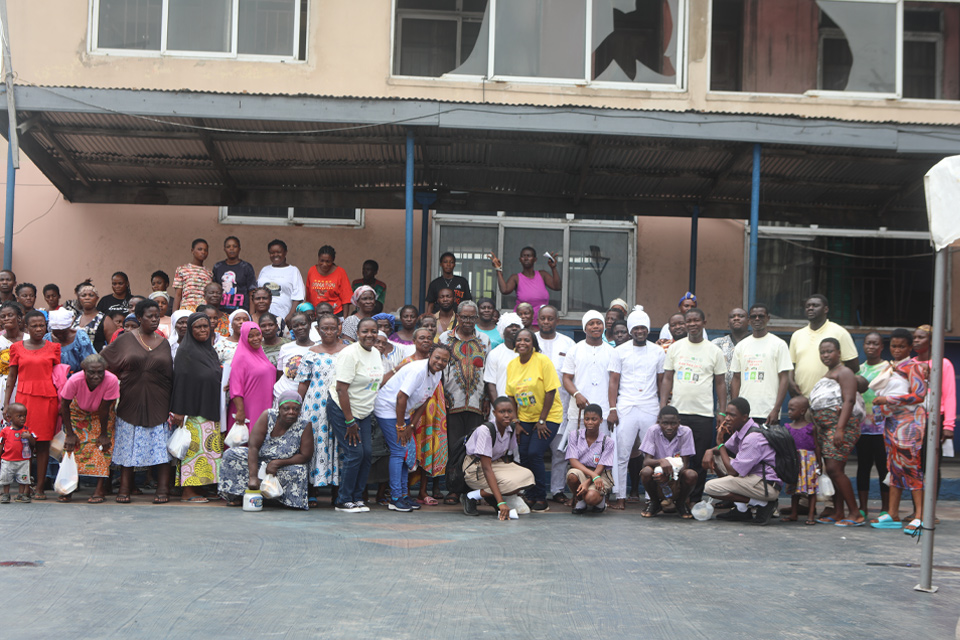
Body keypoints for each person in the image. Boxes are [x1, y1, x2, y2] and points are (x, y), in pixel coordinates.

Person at [101, 299, 174, 504]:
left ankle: (162, 489)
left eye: (157, 317)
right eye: (149, 316)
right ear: (139, 318)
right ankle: (124, 488)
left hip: (159, 399)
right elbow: (102, 362)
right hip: (130, 398)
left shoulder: (164, 342)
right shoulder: (125, 340)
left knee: (160, 447)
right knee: (128, 445)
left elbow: (170, 375)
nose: (154, 320)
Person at [660, 308, 727, 502]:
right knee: (675, 459)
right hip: (678, 414)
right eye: (688, 321)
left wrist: (721, 411)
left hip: (703, 414)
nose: (692, 324)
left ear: (704, 322)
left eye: (696, 320)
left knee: (698, 460)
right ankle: (674, 496)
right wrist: (663, 406)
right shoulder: (675, 348)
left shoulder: (714, 351)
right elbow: (667, 379)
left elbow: (720, 383)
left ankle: (694, 498)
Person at [374, 343, 451, 512]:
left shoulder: (437, 374)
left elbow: (424, 402)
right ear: (430, 354)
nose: (440, 362)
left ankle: (403, 495)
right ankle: (395, 498)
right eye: (437, 357)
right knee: (399, 451)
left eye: (444, 360)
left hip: (404, 411)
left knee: (406, 453)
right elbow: (401, 397)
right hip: (387, 408)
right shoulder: (418, 370)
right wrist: (401, 426)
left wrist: (412, 425)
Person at [608, 305, 665, 510]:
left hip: (650, 406)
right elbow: (613, 382)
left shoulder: (658, 351)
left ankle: (652, 499)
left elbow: (661, 382)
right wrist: (613, 409)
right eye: (636, 328)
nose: (639, 332)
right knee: (622, 454)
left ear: (648, 329)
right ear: (630, 330)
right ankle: (621, 498)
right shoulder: (619, 351)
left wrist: (663, 408)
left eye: (643, 328)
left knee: (651, 455)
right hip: (626, 406)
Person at [219, 391, 313, 510]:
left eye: (295, 409)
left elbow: (305, 455)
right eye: (286, 408)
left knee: (299, 470)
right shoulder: (268, 416)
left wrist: (277, 463)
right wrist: (253, 476)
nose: (291, 412)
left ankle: (281, 500)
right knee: (231, 455)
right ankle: (237, 496)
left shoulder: (305, 425)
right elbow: (253, 446)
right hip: (260, 460)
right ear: (279, 408)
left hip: (284, 464)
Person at [327, 317, 383, 513]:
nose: (370, 335)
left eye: (373, 331)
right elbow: (342, 389)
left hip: (364, 410)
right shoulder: (349, 354)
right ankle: (343, 500)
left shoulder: (376, 353)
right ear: (357, 333)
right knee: (354, 453)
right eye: (365, 331)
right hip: (344, 409)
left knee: (367, 454)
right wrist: (350, 420)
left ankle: (357, 498)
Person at [438, 301, 491, 504]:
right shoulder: (445, 338)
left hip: (477, 402)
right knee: (454, 446)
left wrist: (486, 398)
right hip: (452, 402)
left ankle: (471, 489)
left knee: (475, 447)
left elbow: (488, 371)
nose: (468, 321)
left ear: (476, 318)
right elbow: (440, 370)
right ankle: (453, 488)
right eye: (464, 317)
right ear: (457, 317)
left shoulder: (484, 339)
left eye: (472, 317)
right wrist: (442, 398)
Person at [4, 310, 60, 500]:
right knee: (23, 443)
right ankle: (24, 487)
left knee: (43, 444)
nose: (38, 329)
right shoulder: (17, 348)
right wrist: (6, 405)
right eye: (34, 326)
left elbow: (58, 378)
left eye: (42, 325)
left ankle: (40, 488)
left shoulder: (54, 347)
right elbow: (12, 377)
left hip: (47, 400)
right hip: (23, 400)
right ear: (25, 327)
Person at [505, 328, 562, 512]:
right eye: (519, 340)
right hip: (524, 419)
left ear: (533, 344)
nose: (522, 343)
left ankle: (541, 498)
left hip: (548, 416)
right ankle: (529, 495)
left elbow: (550, 390)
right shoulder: (512, 365)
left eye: (527, 340)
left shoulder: (542, 361)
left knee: (535, 454)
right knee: (523, 455)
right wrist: (516, 421)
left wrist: (543, 420)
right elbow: (511, 396)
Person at [810, 337, 865, 527]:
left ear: (839, 353)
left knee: (835, 469)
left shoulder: (845, 372)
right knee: (833, 470)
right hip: (827, 429)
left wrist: (840, 429)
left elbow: (849, 400)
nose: (825, 355)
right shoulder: (830, 373)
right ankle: (838, 511)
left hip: (840, 427)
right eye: (822, 352)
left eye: (829, 351)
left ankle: (855, 513)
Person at [872, 350, 928, 534]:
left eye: (901, 346)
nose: (896, 349)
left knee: (911, 467)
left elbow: (919, 395)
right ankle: (892, 514)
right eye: (894, 345)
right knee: (894, 467)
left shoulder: (914, 367)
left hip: (910, 422)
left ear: (909, 347)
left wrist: (888, 399)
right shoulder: (890, 367)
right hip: (892, 422)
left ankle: (920, 516)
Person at [170, 312, 224, 502]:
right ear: (190, 331)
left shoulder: (209, 350)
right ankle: (188, 491)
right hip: (192, 412)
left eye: (205, 326)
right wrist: (178, 411)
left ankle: (201, 487)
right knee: (194, 452)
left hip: (209, 408)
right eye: (198, 327)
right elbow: (181, 382)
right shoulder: (186, 352)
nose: (202, 330)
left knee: (207, 451)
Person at [391, 327, 448, 505]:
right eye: (421, 338)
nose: (425, 341)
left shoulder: (438, 364)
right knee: (407, 451)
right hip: (411, 414)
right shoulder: (408, 362)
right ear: (414, 341)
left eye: (429, 338)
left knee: (428, 448)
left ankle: (423, 491)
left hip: (432, 413)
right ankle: (404, 491)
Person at [703, 398, 781, 525]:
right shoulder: (743, 429)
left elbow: (732, 471)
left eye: (732, 415)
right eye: (726, 414)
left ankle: (762, 504)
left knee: (710, 487)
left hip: (765, 486)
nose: (727, 418)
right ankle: (741, 510)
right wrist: (709, 451)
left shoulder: (753, 437)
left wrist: (719, 442)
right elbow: (723, 450)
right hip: (753, 478)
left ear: (744, 417)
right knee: (716, 458)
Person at [460, 397, 535, 519]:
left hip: (496, 463)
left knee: (528, 476)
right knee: (510, 483)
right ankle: (471, 496)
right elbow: (486, 467)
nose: (506, 415)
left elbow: (506, 457)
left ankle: (489, 495)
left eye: (510, 411)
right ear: (494, 413)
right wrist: (501, 503)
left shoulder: (511, 429)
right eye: (502, 412)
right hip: (476, 468)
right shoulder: (486, 431)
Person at [296, 313, 346, 494]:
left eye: (333, 327)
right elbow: (303, 383)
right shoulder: (310, 354)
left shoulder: (347, 352)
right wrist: (297, 408)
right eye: (325, 328)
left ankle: (337, 492)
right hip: (315, 406)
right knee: (315, 444)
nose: (329, 332)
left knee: (339, 444)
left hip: (341, 404)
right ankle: (312, 491)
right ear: (318, 330)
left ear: (339, 328)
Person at [58, 354, 118, 503]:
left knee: (102, 447)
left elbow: (105, 409)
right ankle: (68, 488)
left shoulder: (111, 380)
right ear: (84, 370)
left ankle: (99, 489)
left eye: (100, 372)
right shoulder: (74, 380)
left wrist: (104, 434)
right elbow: (64, 405)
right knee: (72, 448)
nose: (96, 376)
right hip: (77, 412)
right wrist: (70, 433)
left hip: (101, 415)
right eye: (92, 372)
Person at [536, 305, 576, 505]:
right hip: (535, 408)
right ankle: (533, 490)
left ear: (556, 321)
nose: (546, 322)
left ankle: (558, 490)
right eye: (542, 318)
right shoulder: (531, 340)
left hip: (562, 407)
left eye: (550, 318)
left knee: (560, 452)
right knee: (534, 452)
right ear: (538, 319)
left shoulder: (568, 343)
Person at [730, 303, 792, 426]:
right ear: (749, 320)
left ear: (767, 318)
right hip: (744, 413)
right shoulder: (741, 346)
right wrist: (734, 409)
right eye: (753, 316)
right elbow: (736, 378)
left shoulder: (779, 344)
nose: (757, 319)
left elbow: (784, 379)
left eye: (761, 316)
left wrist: (776, 409)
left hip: (768, 412)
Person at [913, 324, 954, 500]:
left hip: (934, 419)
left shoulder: (943, 363)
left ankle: (930, 510)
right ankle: (918, 510)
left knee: (932, 465)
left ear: (931, 341)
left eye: (920, 337)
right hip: (913, 420)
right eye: (914, 337)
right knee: (915, 465)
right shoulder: (910, 363)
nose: (916, 340)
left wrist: (949, 425)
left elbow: (950, 395)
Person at [788, 294, 859, 397]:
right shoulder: (797, 335)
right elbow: (791, 365)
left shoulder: (840, 332)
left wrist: (833, 382)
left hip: (830, 399)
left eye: (815, 305)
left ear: (826, 309)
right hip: (802, 398)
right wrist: (790, 383)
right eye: (808, 306)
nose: (810, 308)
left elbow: (853, 366)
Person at [638, 405, 697, 518]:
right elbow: (646, 461)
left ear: (679, 422)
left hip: (677, 476)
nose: (669, 427)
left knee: (691, 474)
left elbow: (685, 464)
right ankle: (654, 502)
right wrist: (661, 461)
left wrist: (670, 476)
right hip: (657, 476)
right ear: (659, 422)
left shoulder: (686, 432)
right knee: (645, 472)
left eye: (673, 423)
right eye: (665, 423)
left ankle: (681, 503)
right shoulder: (653, 431)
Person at [562, 310, 615, 435]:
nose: (596, 326)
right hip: (579, 411)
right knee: (576, 449)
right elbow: (566, 378)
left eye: (599, 323)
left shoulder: (612, 352)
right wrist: (577, 394)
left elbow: (615, 381)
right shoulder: (574, 350)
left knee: (600, 450)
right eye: (591, 323)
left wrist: (612, 410)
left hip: (604, 412)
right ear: (585, 328)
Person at [855, 331, 890, 519]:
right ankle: (863, 508)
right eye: (868, 343)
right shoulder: (859, 370)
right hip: (863, 428)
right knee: (863, 467)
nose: (871, 346)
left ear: (882, 347)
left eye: (875, 343)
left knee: (884, 468)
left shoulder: (889, 369)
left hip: (884, 428)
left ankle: (886, 508)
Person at [490, 246, 560, 327]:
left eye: (529, 256)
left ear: (535, 259)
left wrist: (553, 268)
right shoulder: (515, 277)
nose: (526, 258)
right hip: (522, 324)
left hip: (542, 323)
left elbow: (557, 286)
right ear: (520, 259)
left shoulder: (542, 274)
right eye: (523, 256)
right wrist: (498, 269)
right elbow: (505, 290)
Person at [565, 403, 615, 514]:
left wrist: (589, 480)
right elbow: (573, 460)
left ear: (601, 420)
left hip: (600, 473)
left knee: (591, 498)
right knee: (572, 475)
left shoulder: (607, 441)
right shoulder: (574, 435)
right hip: (583, 470)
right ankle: (580, 500)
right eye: (587, 419)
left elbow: (601, 466)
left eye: (594, 419)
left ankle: (600, 501)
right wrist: (592, 476)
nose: (590, 422)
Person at [228, 322, 276, 435]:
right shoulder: (241, 357)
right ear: (244, 337)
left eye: (258, 334)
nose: (255, 338)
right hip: (249, 407)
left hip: (264, 404)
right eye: (250, 336)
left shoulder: (260, 353)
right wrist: (240, 411)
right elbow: (235, 387)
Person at [781, 396, 819, 525]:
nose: (789, 412)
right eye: (789, 409)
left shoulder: (811, 428)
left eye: (792, 410)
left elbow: (817, 446)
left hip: (809, 461)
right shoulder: (787, 427)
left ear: (802, 411)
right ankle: (794, 513)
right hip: (794, 461)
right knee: (794, 488)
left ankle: (811, 515)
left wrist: (819, 463)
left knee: (811, 489)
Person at [258, 239, 306, 325]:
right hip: (263, 318)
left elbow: (298, 296)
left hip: (284, 317)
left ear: (285, 252)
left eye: (279, 252)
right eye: (272, 252)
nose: (275, 255)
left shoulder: (293, 271)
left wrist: (290, 316)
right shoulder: (265, 270)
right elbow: (257, 293)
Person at [483, 312, 521, 412]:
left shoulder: (526, 353)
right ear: (503, 331)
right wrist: (499, 407)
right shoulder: (495, 354)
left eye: (517, 326)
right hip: (501, 409)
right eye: (510, 326)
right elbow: (491, 384)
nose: (514, 329)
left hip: (524, 410)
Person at [711, 308, 748, 407]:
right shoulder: (717, 344)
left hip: (750, 398)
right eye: (732, 317)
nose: (736, 318)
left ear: (748, 321)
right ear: (728, 323)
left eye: (740, 316)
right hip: (724, 402)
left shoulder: (754, 343)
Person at [274, 312, 313, 400]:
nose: (300, 328)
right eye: (295, 326)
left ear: (310, 325)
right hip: (282, 396)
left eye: (303, 324)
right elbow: (280, 373)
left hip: (307, 399)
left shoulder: (317, 349)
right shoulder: (285, 348)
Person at [213, 236, 257, 313]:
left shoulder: (246, 267)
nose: (231, 249)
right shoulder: (218, 267)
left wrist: (251, 315)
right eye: (228, 246)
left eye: (235, 246)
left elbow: (252, 293)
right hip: (222, 313)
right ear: (224, 249)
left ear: (239, 249)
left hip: (241, 313)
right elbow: (214, 292)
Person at [0, 403, 34, 503]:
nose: (23, 418)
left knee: (23, 478)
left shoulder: (27, 430)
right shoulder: (5, 431)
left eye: (24, 416)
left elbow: (33, 443)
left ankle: (21, 494)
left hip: (23, 460)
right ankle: (6, 494)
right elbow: (1, 444)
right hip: (8, 459)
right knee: (6, 478)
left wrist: (29, 437)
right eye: (19, 416)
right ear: (10, 417)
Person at [45, 307, 95, 375]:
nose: (60, 336)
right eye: (56, 333)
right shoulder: (47, 340)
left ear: (69, 327)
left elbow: (91, 361)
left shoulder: (80, 337)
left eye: (63, 333)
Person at [306, 245, 352, 317]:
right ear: (318, 259)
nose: (324, 264)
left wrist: (345, 319)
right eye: (322, 261)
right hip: (316, 314)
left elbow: (346, 299)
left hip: (335, 313)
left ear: (333, 260)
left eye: (328, 261)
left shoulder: (340, 272)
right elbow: (308, 296)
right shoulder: (312, 271)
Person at [71, 280, 116, 352]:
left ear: (97, 298)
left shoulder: (105, 320)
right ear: (79, 299)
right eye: (83, 295)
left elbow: (114, 346)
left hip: (96, 361)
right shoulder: (75, 319)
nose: (87, 298)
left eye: (91, 295)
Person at [172, 239, 213, 312]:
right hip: (186, 309)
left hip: (203, 309)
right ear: (192, 251)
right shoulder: (182, 269)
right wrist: (174, 314)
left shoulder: (209, 273)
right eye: (200, 249)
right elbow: (178, 294)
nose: (203, 252)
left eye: (205, 250)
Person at [0, 301, 24, 412]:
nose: (6, 318)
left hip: (24, 385)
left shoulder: (29, 339)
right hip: (2, 387)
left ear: (19, 318)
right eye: (3, 316)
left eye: (10, 315)